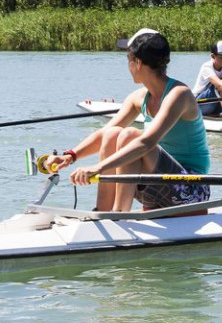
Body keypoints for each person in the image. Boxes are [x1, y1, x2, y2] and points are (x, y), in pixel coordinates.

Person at [43, 29, 212, 212]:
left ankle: (119, 214)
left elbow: (146, 143)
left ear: (137, 62)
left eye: (128, 60)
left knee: (130, 136)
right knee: (112, 134)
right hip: (156, 184)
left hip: (191, 188)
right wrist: (70, 155)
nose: (128, 66)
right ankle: (103, 211)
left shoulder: (179, 95)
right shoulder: (138, 98)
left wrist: (97, 168)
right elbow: (103, 135)